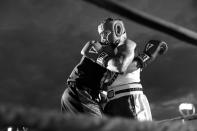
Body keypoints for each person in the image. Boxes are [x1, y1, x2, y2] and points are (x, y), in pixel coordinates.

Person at [61, 18, 137, 118]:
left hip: (85, 96)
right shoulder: (94, 46)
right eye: (103, 33)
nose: (104, 36)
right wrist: (143, 57)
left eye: (106, 33)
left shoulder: (115, 58)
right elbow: (119, 66)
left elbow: (118, 71)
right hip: (79, 93)